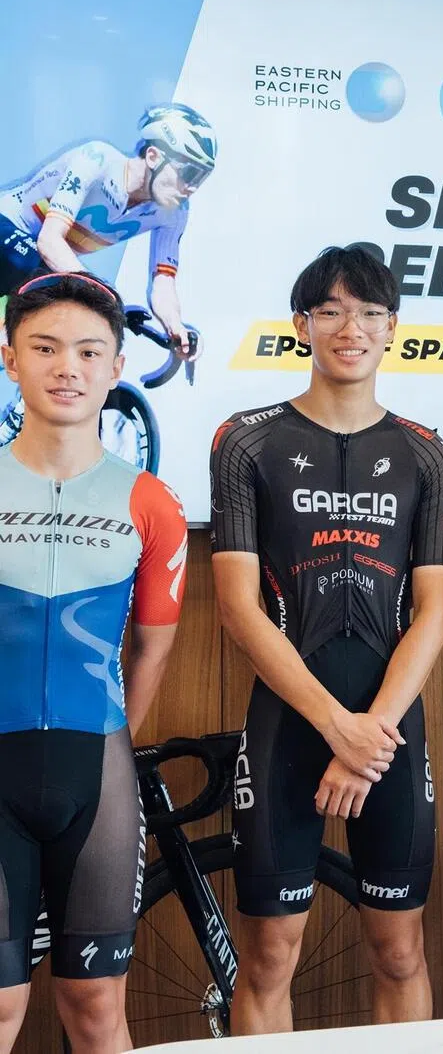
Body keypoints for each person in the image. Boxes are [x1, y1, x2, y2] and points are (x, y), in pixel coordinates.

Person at [209, 244, 443, 1033]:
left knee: (401, 952)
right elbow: (239, 608)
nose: (353, 328)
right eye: (333, 311)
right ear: (301, 325)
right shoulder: (246, 442)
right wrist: (336, 727)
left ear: (392, 328)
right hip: (290, 721)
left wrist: (369, 736)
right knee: (269, 958)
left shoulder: (423, 452)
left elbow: (436, 610)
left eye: (371, 313)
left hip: (389, 728)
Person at [0, 271, 187, 1053]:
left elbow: (153, 644)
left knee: (97, 1007)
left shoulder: (151, 502)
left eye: (87, 351)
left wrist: (110, 737)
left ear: (116, 368)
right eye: (45, 348)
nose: (67, 368)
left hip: (98, 773)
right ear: (10, 358)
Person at [0, 103, 217, 355]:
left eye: (201, 178)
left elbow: (164, 283)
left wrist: (175, 326)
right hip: (9, 227)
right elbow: (49, 242)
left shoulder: (174, 212)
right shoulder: (98, 160)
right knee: (62, 289)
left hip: (39, 262)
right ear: (153, 156)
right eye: (189, 172)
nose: (192, 187)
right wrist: (106, 297)